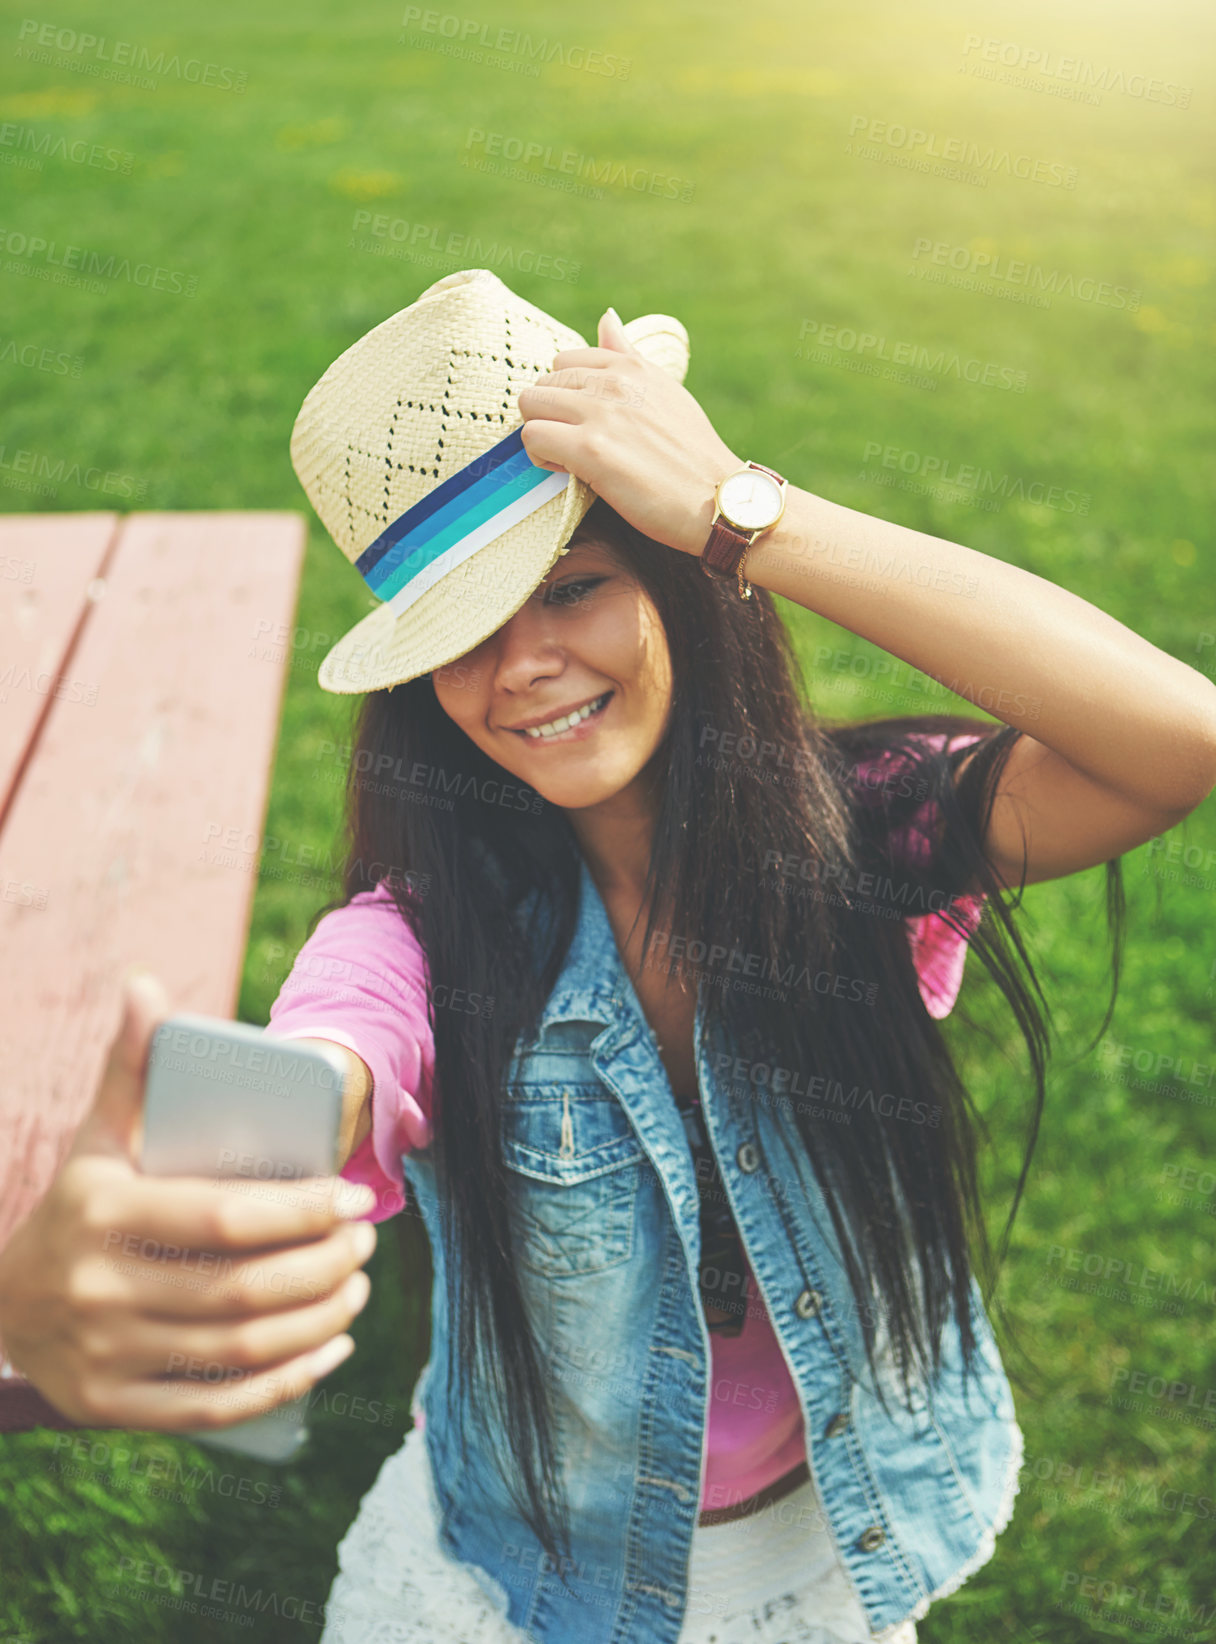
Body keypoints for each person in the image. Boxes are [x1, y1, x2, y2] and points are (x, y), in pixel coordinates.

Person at [5, 267, 1214, 1643]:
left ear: (684, 585)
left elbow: (1174, 740)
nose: (523, 665)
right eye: (462, 633)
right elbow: (317, 1067)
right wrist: (103, 1263)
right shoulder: (414, 939)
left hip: (833, 1551)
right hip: (529, 1584)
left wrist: (742, 512)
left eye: (572, 586)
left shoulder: (861, 835)